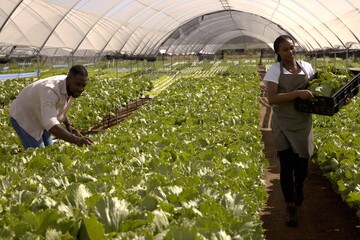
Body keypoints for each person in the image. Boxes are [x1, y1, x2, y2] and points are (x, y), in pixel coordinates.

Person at [263, 35, 316, 227]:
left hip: (302, 123)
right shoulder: (274, 71)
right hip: (283, 123)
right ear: (278, 52)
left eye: (292, 48)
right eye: (285, 49)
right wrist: (297, 94)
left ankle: (299, 185)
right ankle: (290, 206)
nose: (290, 52)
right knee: (286, 166)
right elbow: (272, 99)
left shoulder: (307, 68)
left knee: (301, 167)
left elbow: (317, 93)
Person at [9, 65, 94, 150]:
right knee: (39, 153)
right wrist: (76, 140)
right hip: (24, 116)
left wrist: (68, 125)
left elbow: (60, 108)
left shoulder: (70, 86)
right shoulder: (50, 90)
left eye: (84, 85)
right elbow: (51, 124)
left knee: (50, 149)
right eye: (78, 84)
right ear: (69, 79)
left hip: (40, 115)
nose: (80, 88)